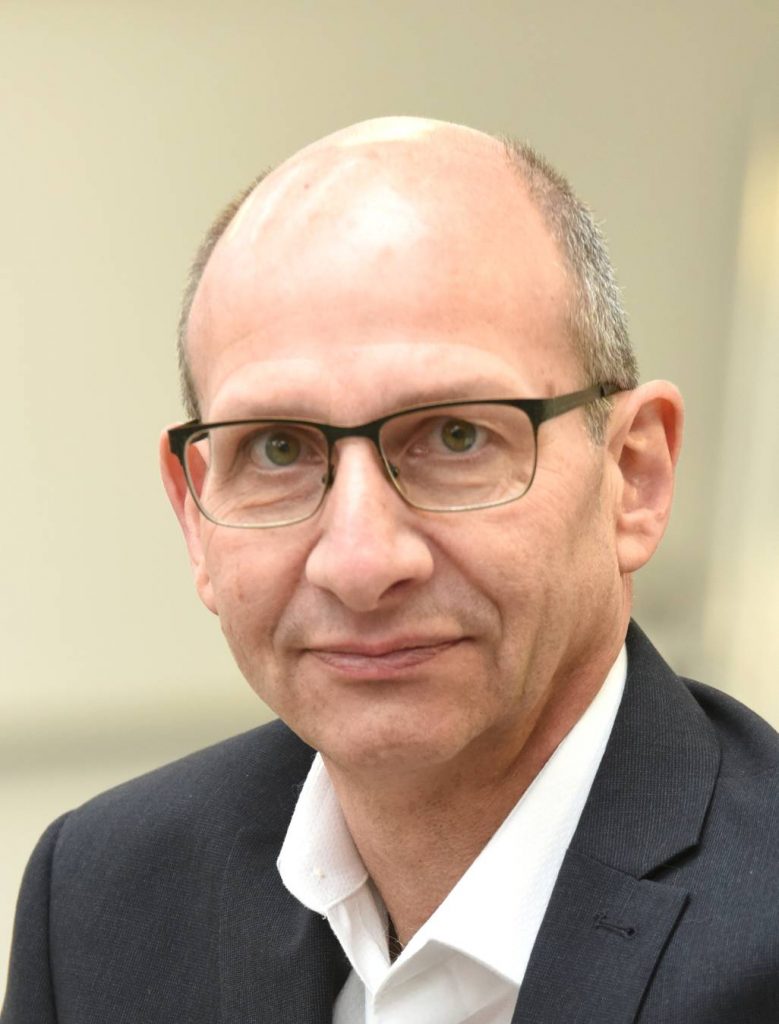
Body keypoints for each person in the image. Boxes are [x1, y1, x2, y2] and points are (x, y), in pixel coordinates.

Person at [3, 117, 778, 1024]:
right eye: (278, 448)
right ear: (196, 516)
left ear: (632, 478)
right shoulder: (101, 904)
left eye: (456, 435)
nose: (360, 562)